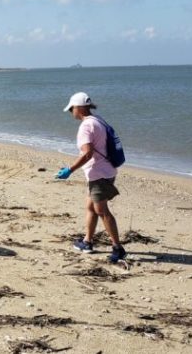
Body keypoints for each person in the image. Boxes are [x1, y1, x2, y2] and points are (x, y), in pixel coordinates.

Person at [56, 92, 127, 263]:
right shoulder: (98, 120)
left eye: (71, 109)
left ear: (79, 108)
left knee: (102, 211)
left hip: (98, 174)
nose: (71, 112)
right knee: (91, 207)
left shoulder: (86, 126)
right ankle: (87, 242)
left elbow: (88, 153)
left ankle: (118, 248)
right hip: (107, 170)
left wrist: (70, 170)